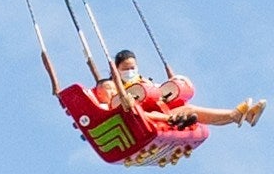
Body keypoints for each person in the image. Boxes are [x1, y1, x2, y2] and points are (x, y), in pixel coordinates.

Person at [110, 46, 263, 131]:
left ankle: (243, 115)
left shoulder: (142, 81)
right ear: (117, 70)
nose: (130, 71)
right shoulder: (116, 87)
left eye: (133, 67)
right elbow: (117, 105)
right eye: (126, 68)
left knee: (189, 108)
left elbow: (159, 92)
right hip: (143, 120)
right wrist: (117, 80)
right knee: (189, 112)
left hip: (160, 112)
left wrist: (174, 82)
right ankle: (236, 115)